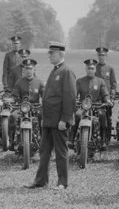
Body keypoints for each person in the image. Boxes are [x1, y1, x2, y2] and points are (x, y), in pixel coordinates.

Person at [29, 42, 76, 190]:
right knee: (44, 151)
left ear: (61, 54)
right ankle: (41, 181)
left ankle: (62, 182)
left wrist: (65, 119)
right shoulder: (55, 71)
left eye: (53, 53)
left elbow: (70, 97)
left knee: (61, 152)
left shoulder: (66, 71)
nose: (50, 56)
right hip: (49, 120)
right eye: (49, 53)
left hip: (59, 121)